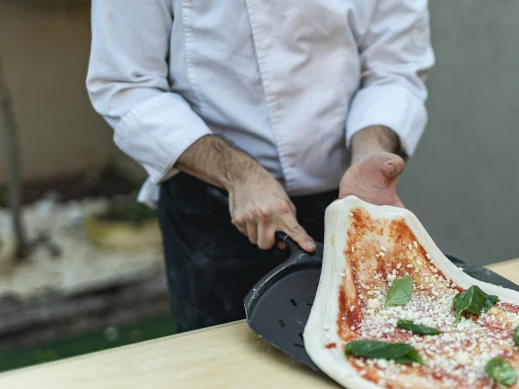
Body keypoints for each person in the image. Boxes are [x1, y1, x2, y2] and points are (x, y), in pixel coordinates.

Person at [86, 1, 434, 332]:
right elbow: (126, 85)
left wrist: (371, 150)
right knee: (222, 378)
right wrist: (239, 175)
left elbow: (393, 69)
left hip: (347, 197)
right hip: (213, 206)